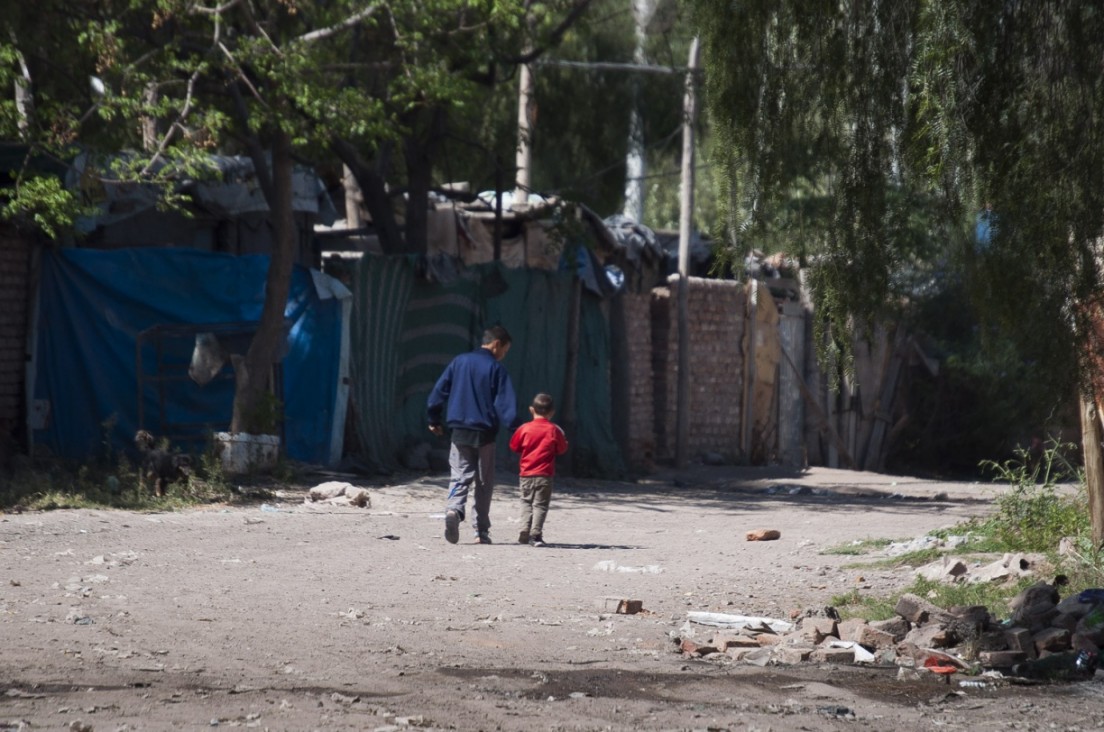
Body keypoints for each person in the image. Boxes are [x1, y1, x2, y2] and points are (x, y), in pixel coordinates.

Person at [427, 325, 518, 545]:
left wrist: (433, 418)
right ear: (497, 344)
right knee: (484, 482)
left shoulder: (459, 361)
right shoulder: (496, 369)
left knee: (459, 475)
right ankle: (481, 532)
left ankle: (454, 510)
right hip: (485, 434)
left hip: (459, 431)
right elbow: (506, 405)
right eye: (505, 350)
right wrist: (517, 430)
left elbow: (439, 392)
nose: (503, 355)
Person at [509, 393, 568, 547]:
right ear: (552, 412)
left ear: (531, 409)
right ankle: (536, 535)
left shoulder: (524, 428)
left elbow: (514, 446)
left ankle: (524, 529)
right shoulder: (554, 430)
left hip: (526, 473)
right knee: (540, 505)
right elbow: (561, 449)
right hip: (545, 474)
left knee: (526, 502)